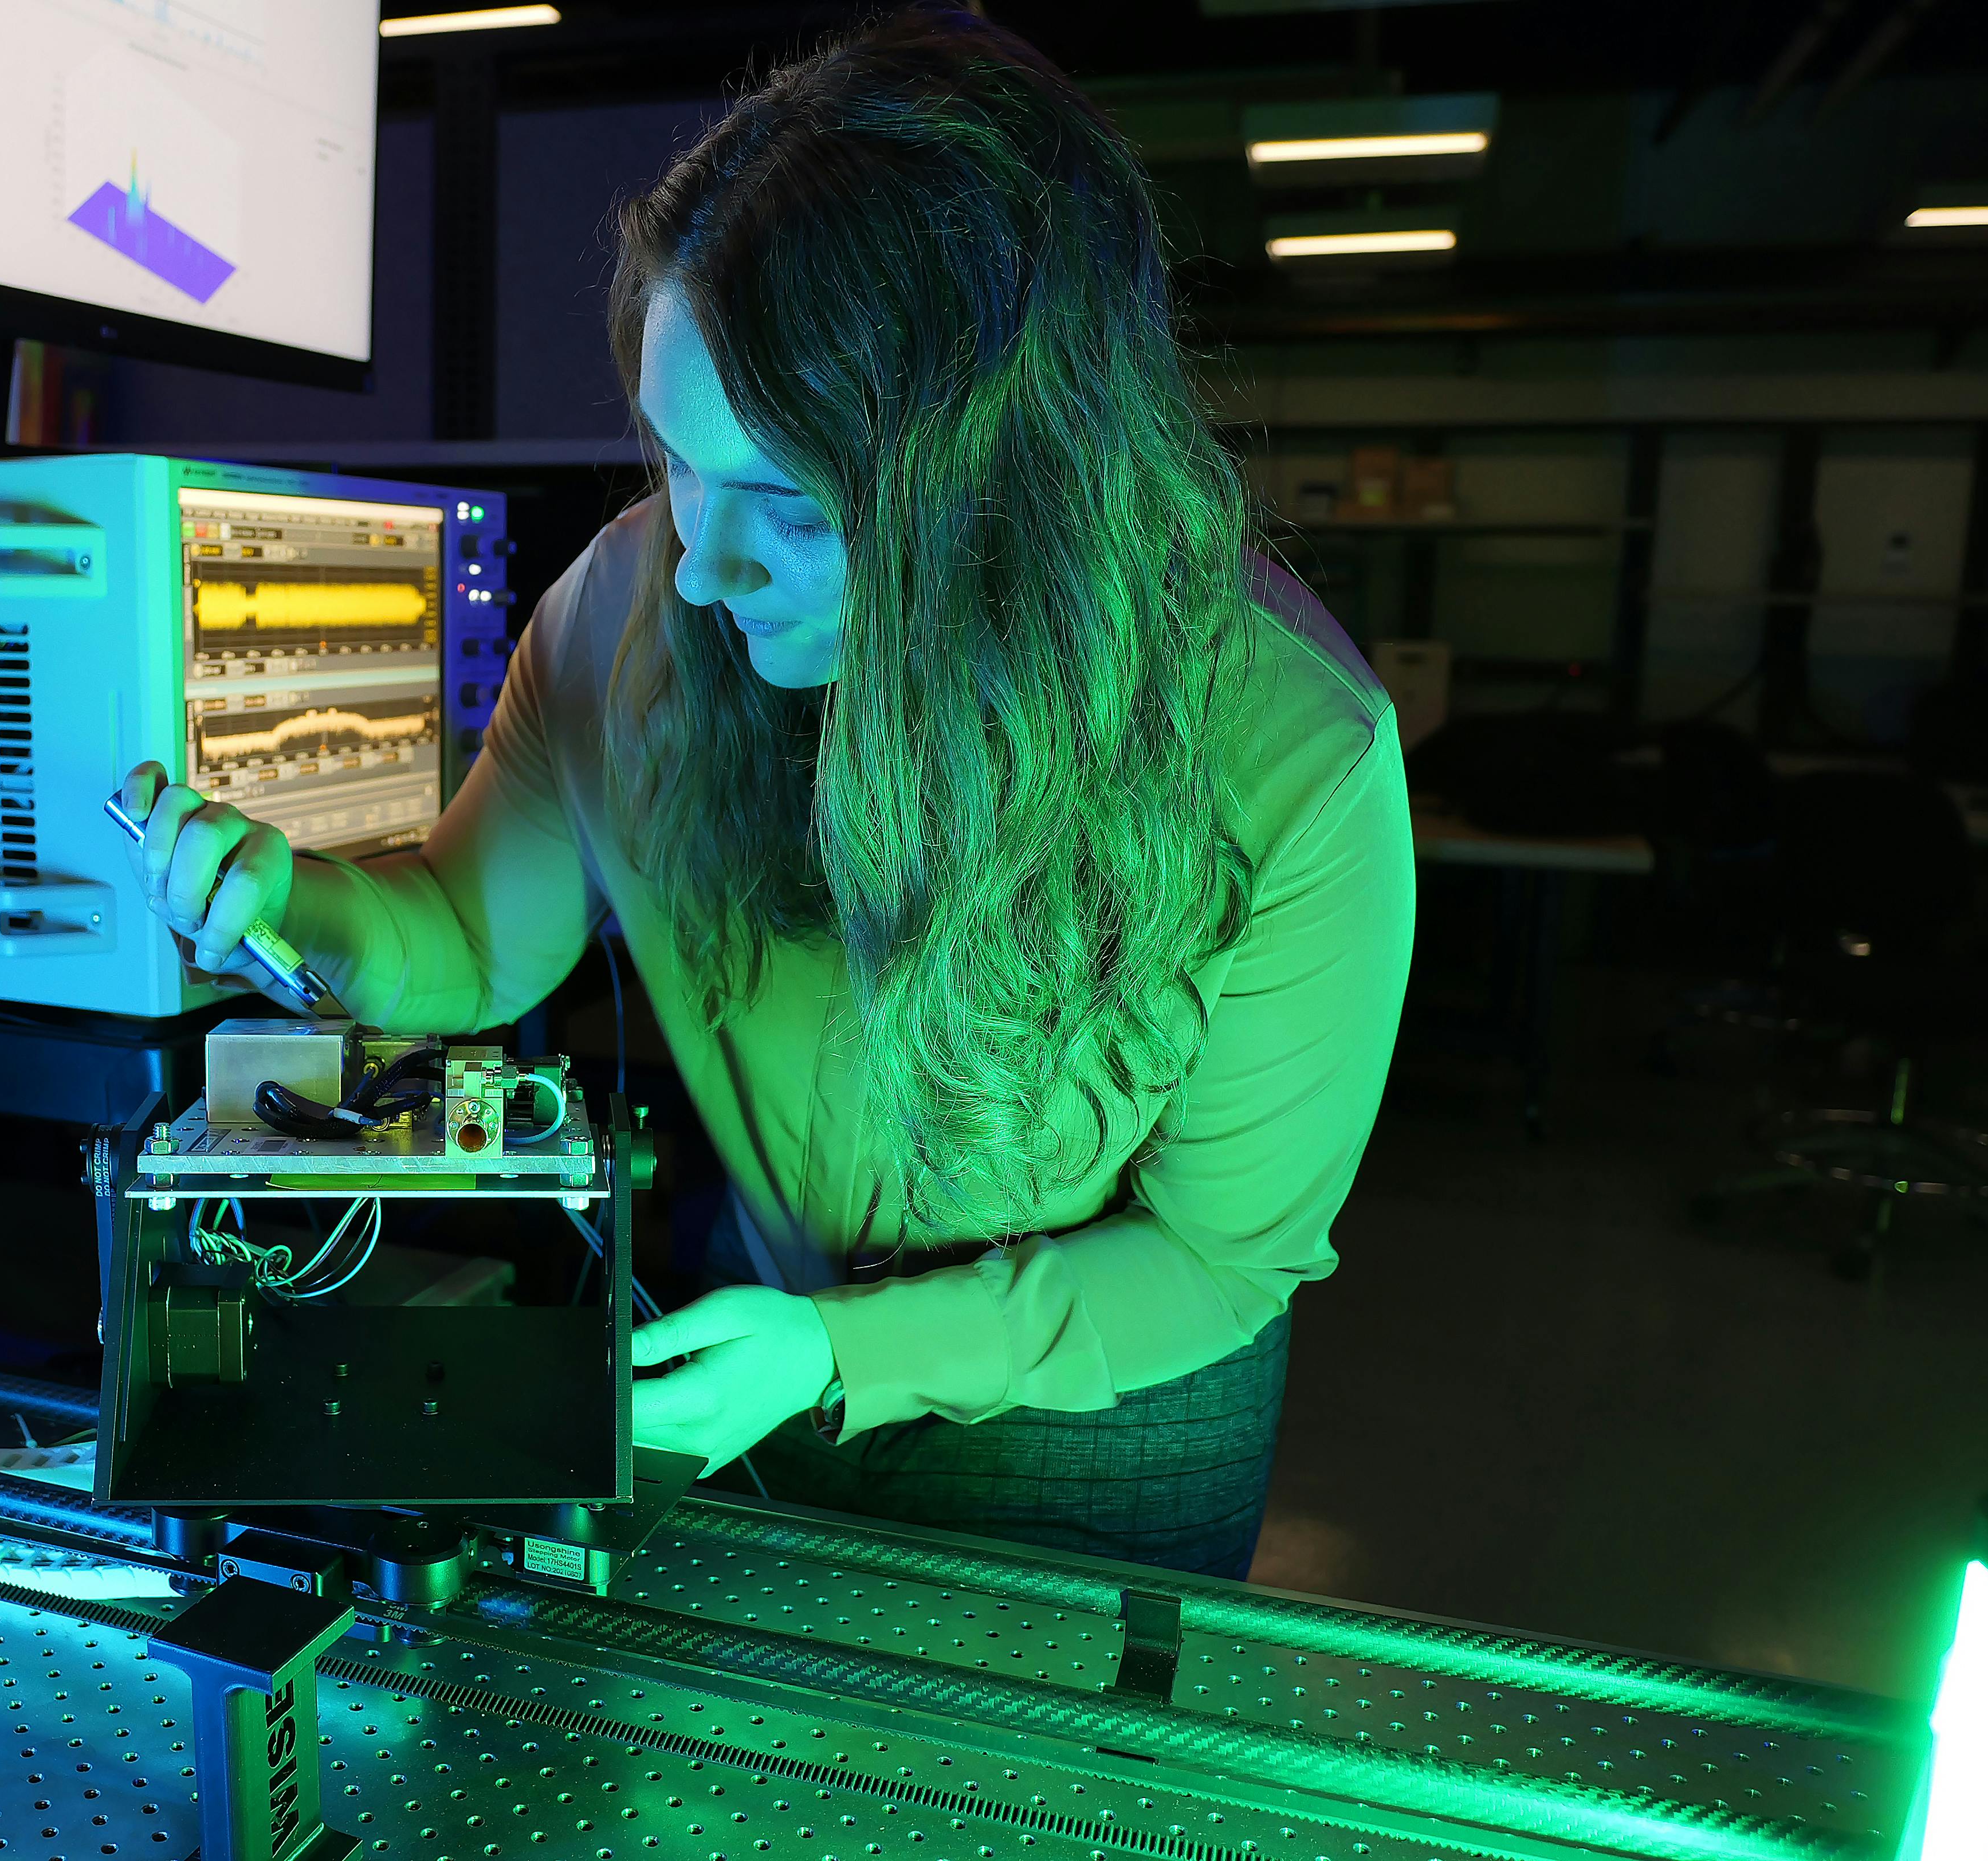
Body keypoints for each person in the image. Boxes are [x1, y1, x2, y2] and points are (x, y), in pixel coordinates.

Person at [118, 4, 1413, 1577]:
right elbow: (468, 938)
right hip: (752, 1336)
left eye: (790, 505)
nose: (706, 569)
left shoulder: (1285, 753)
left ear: (1002, 494)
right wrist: (291, 900)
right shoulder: (622, 616)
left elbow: (1216, 1257)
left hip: (1102, 1395)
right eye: (676, 463)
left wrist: (841, 1355)